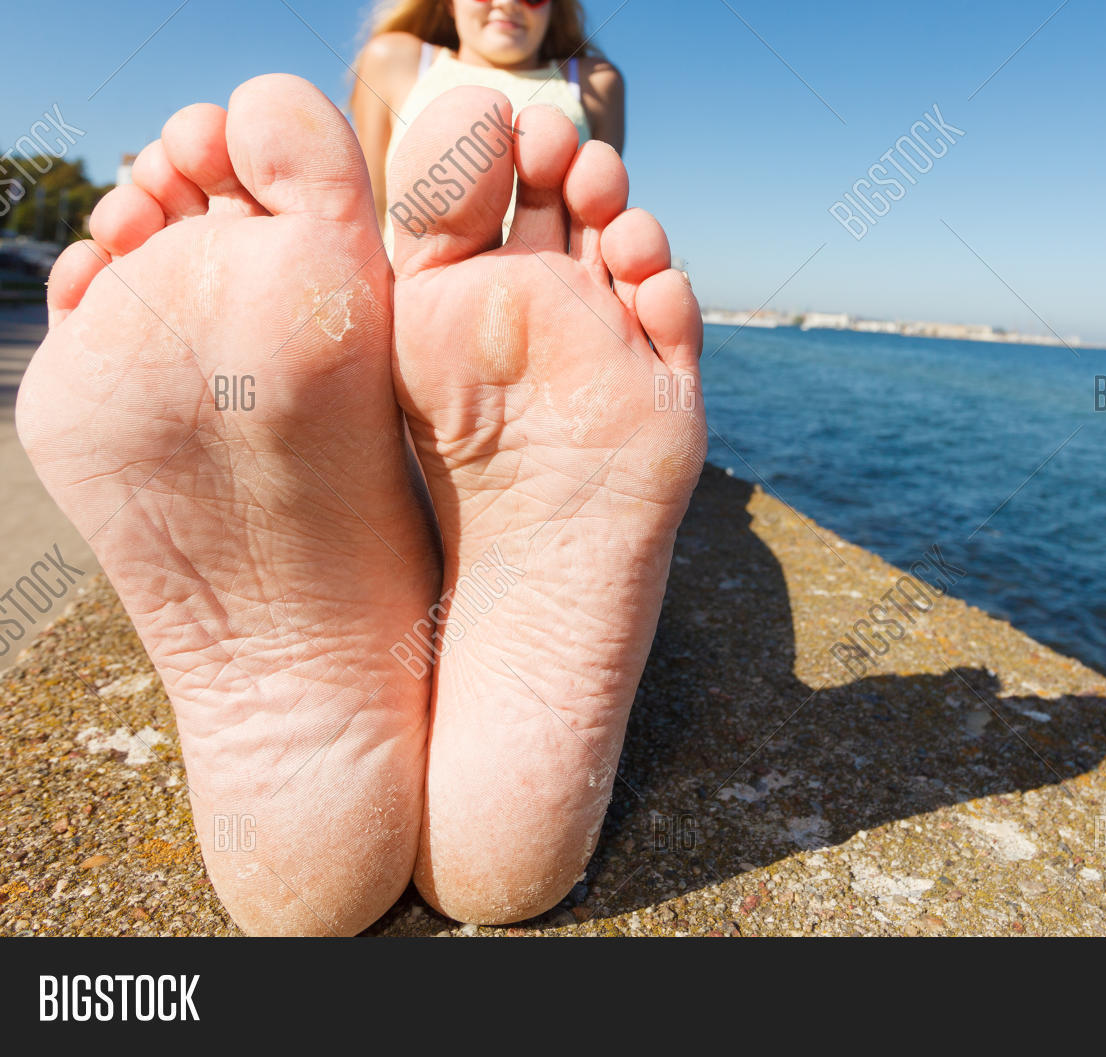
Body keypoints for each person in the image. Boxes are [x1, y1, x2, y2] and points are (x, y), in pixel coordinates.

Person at [19, 65, 703, 934]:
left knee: (390, 409)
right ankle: (487, 749)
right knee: (411, 398)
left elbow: (359, 178)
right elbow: (397, 177)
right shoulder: (414, 55)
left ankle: (354, 574)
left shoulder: (580, 76)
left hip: (399, 335)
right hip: (411, 322)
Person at [352, 0, 624, 242]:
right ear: (449, 3)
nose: (508, 3)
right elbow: (370, 200)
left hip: (544, 271)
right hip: (412, 277)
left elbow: (596, 209)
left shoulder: (592, 83)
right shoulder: (395, 60)